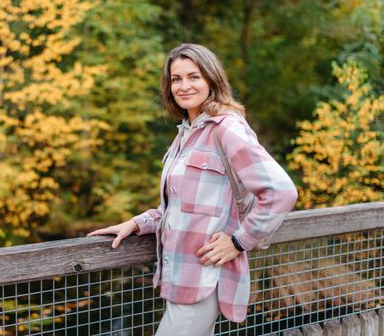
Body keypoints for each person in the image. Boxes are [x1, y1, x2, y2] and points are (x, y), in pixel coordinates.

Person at [88, 43, 298, 335]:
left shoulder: (226, 129)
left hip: (206, 277)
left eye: (194, 76)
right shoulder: (185, 134)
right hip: (178, 277)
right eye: (176, 79)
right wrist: (138, 223)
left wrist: (239, 241)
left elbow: (281, 192)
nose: (184, 85)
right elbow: (178, 208)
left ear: (211, 79)